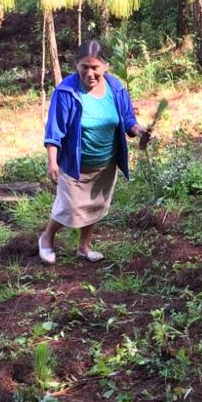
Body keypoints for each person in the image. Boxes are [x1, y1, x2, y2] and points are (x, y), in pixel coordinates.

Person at [38, 40, 151, 264]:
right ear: (76, 65)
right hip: (75, 162)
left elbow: (128, 119)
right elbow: (54, 131)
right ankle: (47, 239)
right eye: (84, 67)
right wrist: (52, 162)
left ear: (105, 66)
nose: (90, 73)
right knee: (67, 207)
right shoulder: (66, 92)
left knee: (95, 205)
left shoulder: (116, 88)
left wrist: (139, 130)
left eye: (95, 67)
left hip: (105, 162)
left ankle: (84, 246)